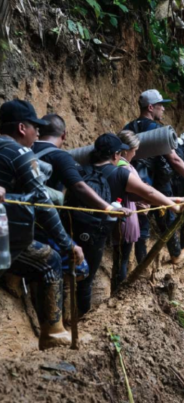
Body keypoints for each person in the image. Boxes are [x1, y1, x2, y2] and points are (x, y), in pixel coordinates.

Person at [64, 133, 184, 315]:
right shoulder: (120, 173)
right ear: (116, 155)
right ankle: (81, 320)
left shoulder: (83, 170)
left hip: (71, 226)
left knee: (71, 273)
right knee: (86, 279)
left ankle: (67, 317)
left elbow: (138, 196)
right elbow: (147, 192)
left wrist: (173, 199)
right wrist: (174, 207)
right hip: (95, 232)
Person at [0, 99, 84, 350]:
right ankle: (52, 332)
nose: (38, 133)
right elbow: (43, 203)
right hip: (5, 238)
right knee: (50, 261)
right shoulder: (20, 154)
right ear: (22, 128)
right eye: (35, 127)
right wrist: (67, 244)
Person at [123, 89, 184, 264]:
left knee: (141, 222)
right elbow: (174, 159)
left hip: (131, 179)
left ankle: (139, 264)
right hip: (155, 181)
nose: (163, 109)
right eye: (160, 106)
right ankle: (175, 254)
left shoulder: (128, 127)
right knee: (166, 216)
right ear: (151, 107)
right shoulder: (158, 130)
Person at [32, 114, 116, 211]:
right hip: (42, 217)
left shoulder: (25, 148)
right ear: (64, 134)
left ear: (39, 131)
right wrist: (109, 208)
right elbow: (79, 187)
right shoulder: (61, 157)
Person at [111, 130, 141, 291]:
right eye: (134, 150)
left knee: (121, 259)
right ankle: (118, 293)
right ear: (126, 150)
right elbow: (138, 192)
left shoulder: (119, 165)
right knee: (121, 260)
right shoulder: (124, 168)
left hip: (126, 212)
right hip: (126, 216)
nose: (135, 154)